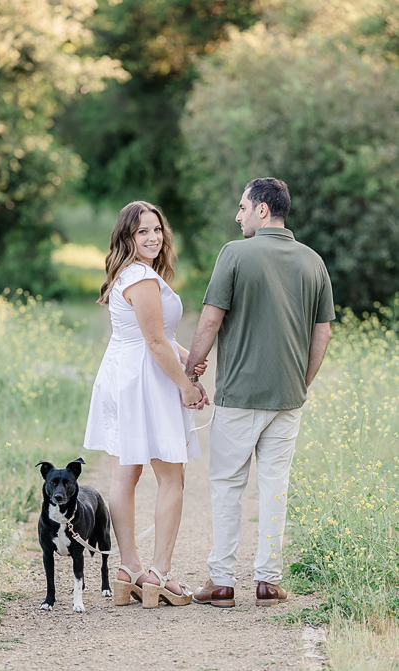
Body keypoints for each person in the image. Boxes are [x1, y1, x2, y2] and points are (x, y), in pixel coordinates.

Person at [186, 177, 334, 608]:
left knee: (228, 485)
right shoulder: (313, 261)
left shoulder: (234, 254)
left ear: (262, 210)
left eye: (242, 207)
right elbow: (321, 333)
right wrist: (300, 382)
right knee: (275, 487)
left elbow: (210, 320)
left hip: (239, 396)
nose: (238, 216)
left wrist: (192, 373)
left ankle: (222, 582)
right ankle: (268, 582)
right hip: (288, 398)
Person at [84, 201, 207, 608]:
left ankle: (128, 570)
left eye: (157, 230)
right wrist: (185, 385)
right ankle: (158, 573)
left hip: (128, 375)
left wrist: (188, 358)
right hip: (145, 381)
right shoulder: (141, 278)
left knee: (126, 475)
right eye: (143, 232)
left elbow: (154, 335)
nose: (153, 237)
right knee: (171, 476)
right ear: (127, 237)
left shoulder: (131, 274)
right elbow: (154, 342)